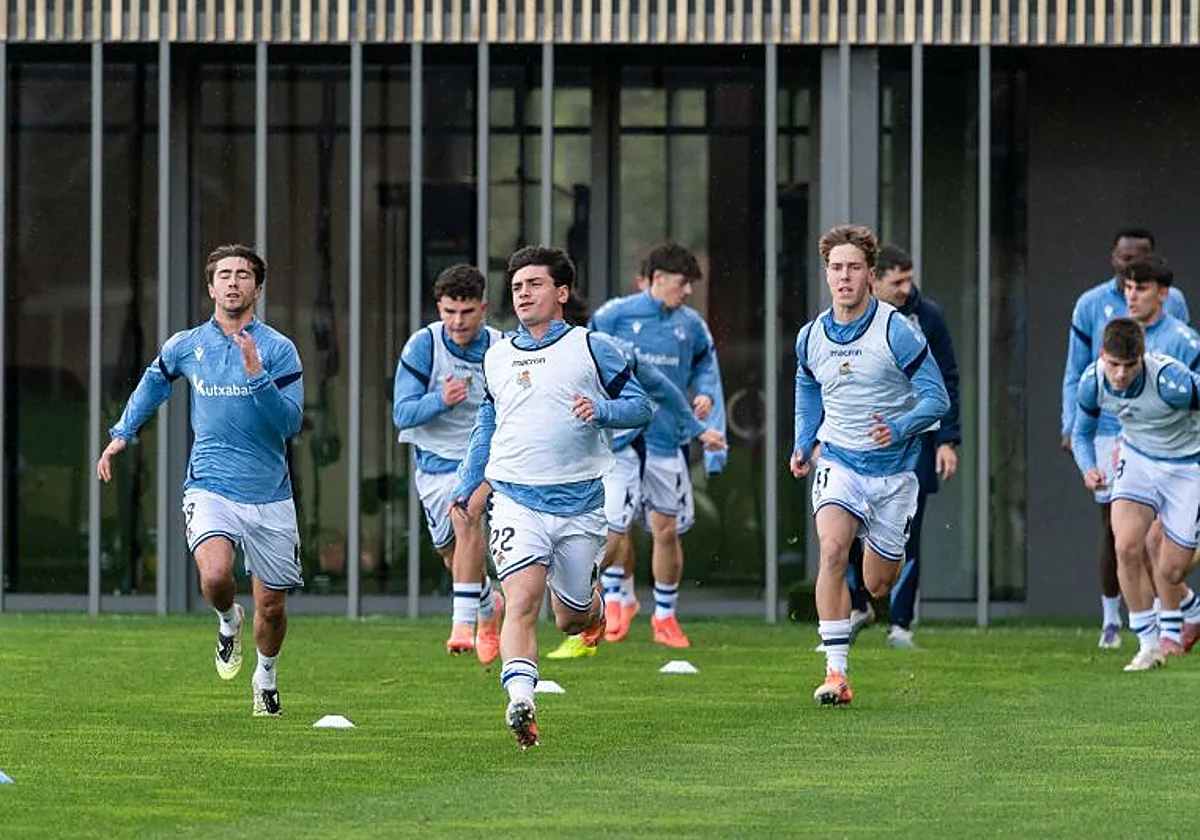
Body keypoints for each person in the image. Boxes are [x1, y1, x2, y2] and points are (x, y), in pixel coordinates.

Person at [451, 245, 654, 748]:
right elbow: (487, 425)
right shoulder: (496, 355)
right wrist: (468, 485)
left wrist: (602, 412)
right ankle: (522, 699)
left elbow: (640, 406)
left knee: (571, 618)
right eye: (517, 286)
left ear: (560, 292)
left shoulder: (592, 347)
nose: (523, 293)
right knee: (520, 599)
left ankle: (596, 612)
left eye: (534, 284)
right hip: (516, 498)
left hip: (581, 504)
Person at [96, 244, 304, 717]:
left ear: (257, 286)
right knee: (214, 576)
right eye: (224, 275)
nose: (233, 282)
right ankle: (228, 619)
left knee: (272, 606)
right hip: (210, 483)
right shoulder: (187, 344)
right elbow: (153, 383)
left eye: (243, 275)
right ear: (211, 287)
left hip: (270, 492)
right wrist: (122, 433)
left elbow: (289, 424)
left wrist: (256, 375)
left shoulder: (277, 349)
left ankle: (265, 676)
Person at [792, 224, 949, 706]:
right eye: (836, 268)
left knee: (879, 583)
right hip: (838, 460)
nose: (844, 277)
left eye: (853, 268)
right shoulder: (811, 335)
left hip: (895, 473)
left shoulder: (896, 331)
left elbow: (937, 398)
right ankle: (836, 674)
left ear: (870, 275)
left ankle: (881, 550)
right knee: (833, 551)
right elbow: (807, 387)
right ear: (827, 274)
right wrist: (803, 441)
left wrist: (899, 426)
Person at [546, 329, 726, 659]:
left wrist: (700, 431)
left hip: (624, 452)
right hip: (575, 456)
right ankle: (607, 604)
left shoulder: (615, 350)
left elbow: (664, 391)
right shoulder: (536, 356)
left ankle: (606, 613)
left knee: (614, 534)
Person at [588, 243, 727, 648]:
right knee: (618, 524)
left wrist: (704, 395)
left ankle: (664, 616)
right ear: (656, 279)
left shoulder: (692, 325)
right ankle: (615, 599)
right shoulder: (613, 316)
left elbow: (706, 369)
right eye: (682, 284)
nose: (687, 292)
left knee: (665, 530)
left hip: (668, 439)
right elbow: (589, 364)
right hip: (621, 440)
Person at [1060, 228, 1190, 649]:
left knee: (1166, 552)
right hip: (1120, 438)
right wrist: (1075, 434)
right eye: (1122, 262)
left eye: (1139, 271)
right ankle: (1133, 628)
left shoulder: (1176, 351)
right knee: (1123, 537)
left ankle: (1180, 609)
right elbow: (1077, 374)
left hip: (1180, 447)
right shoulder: (1091, 307)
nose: (1130, 285)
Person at [841, 243, 961, 649]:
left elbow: (947, 380)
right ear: (876, 279)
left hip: (914, 442)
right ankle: (858, 605)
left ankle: (901, 622)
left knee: (905, 532)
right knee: (849, 527)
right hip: (856, 441)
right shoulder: (850, 320)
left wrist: (947, 440)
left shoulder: (927, 316)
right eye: (899, 281)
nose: (907, 288)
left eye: (910, 279)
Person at [1072, 318, 1200, 671]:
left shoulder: (1171, 383)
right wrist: (1087, 467)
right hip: (1138, 459)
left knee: (1171, 571)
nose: (1120, 374)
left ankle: (1191, 605)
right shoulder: (1092, 380)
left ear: (1143, 357)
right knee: (1126, 545)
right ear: (1102, 355)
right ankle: (1148, 646)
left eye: (1130, 366)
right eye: (1114, 364)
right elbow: (1082, 433)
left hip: (1186, 466)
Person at [393, 265, 506, 664]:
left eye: (467, 312)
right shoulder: (423, 346)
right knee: (451, 554)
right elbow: (402, 413)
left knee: (466, 516)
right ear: (439, 308)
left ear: (484, 308)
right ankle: (489, 606)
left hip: (482, 462)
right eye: (449, 312)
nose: (458, 322)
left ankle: (463, 623)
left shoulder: (501, 347)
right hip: (434, 464)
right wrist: (440, 399)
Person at [1116, 255, 1200, 653]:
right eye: (1127, 288)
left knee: (1162, 548)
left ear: (1163, 294)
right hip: (1141, 454)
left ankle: (1179, 620)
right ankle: (1173, 626)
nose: (1131, 297)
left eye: (1142, 289)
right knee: (1139, 542)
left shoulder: (1183, 343)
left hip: (1185, 460)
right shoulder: (1120, 337)